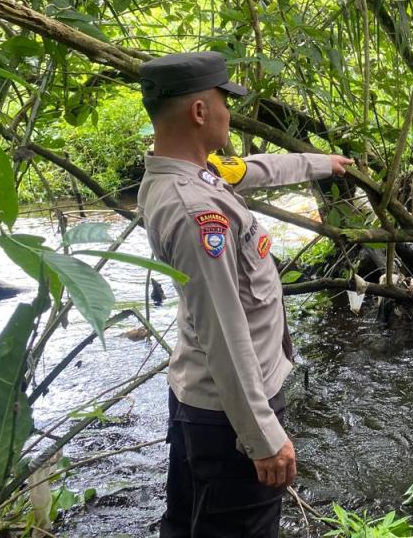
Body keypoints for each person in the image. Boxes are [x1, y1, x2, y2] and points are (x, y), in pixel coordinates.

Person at [137, 52, 352, 537]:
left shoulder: (185, 173)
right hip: (228, 416)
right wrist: (262, 437)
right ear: (199, 111)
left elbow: (253, 168)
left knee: (189, 523)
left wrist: (323, 164)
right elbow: (223, 330)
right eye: (224, 102)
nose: (228, 113)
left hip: (201, 400)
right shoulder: (196, 213)